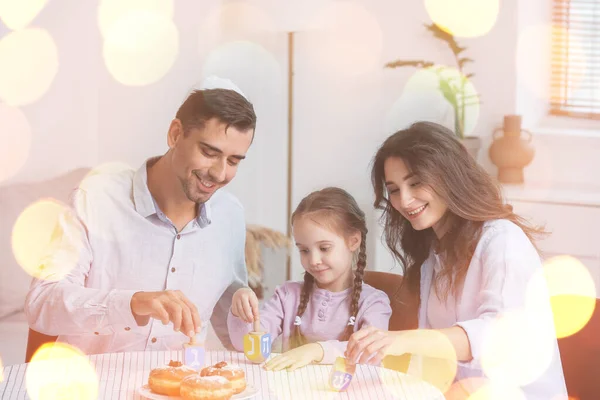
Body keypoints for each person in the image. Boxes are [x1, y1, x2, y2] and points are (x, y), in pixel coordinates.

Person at [25, 77, 257, 354]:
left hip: (179, 388)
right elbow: (43, 302)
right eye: (209, 152)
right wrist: (133, 303)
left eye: (233, 161)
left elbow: (233, 326)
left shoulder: (229, 215)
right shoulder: (97, 198)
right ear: (174, 134)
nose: (220, 174)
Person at [345, 122, 567, 399]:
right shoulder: (433, 254)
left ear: (449, 175)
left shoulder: (502, 240)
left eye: (415, 183)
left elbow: (500, 336)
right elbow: (437, 356)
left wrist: (401, 340)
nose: (405, 200)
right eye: (395, 189)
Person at [227, 187, 392, 370]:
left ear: (353, 241)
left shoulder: (374, 303)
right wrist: (239, 310)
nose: (313, 260)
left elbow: (370, 353)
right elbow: (245, 345)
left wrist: (317, 351)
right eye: (304, 250)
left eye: (324, 248)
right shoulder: (287, 296)